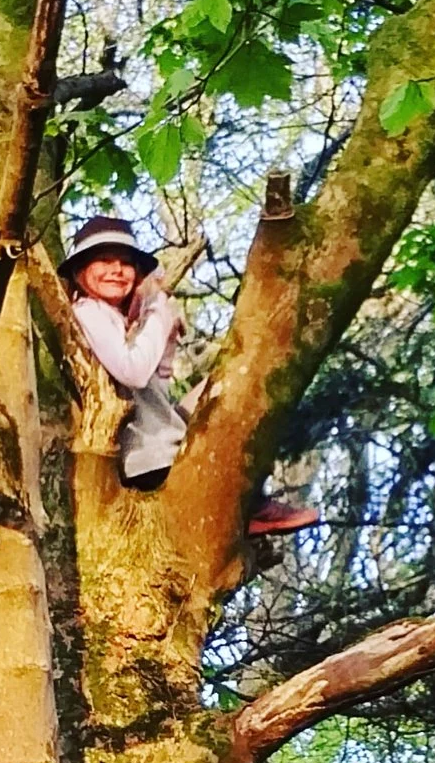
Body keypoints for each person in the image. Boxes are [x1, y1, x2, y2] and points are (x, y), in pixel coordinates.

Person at [62, 213, 319, 531]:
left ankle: (242, 509)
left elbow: (156, 386)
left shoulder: (117, 320)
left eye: (125, 262)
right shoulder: (88, 311)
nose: (116, 270)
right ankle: (243, 510)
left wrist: (159, 331)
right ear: (79, 271)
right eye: (103, 260)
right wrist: (160, 312)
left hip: (161, 447)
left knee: (225, 389)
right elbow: (134, 372)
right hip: (147, 461)